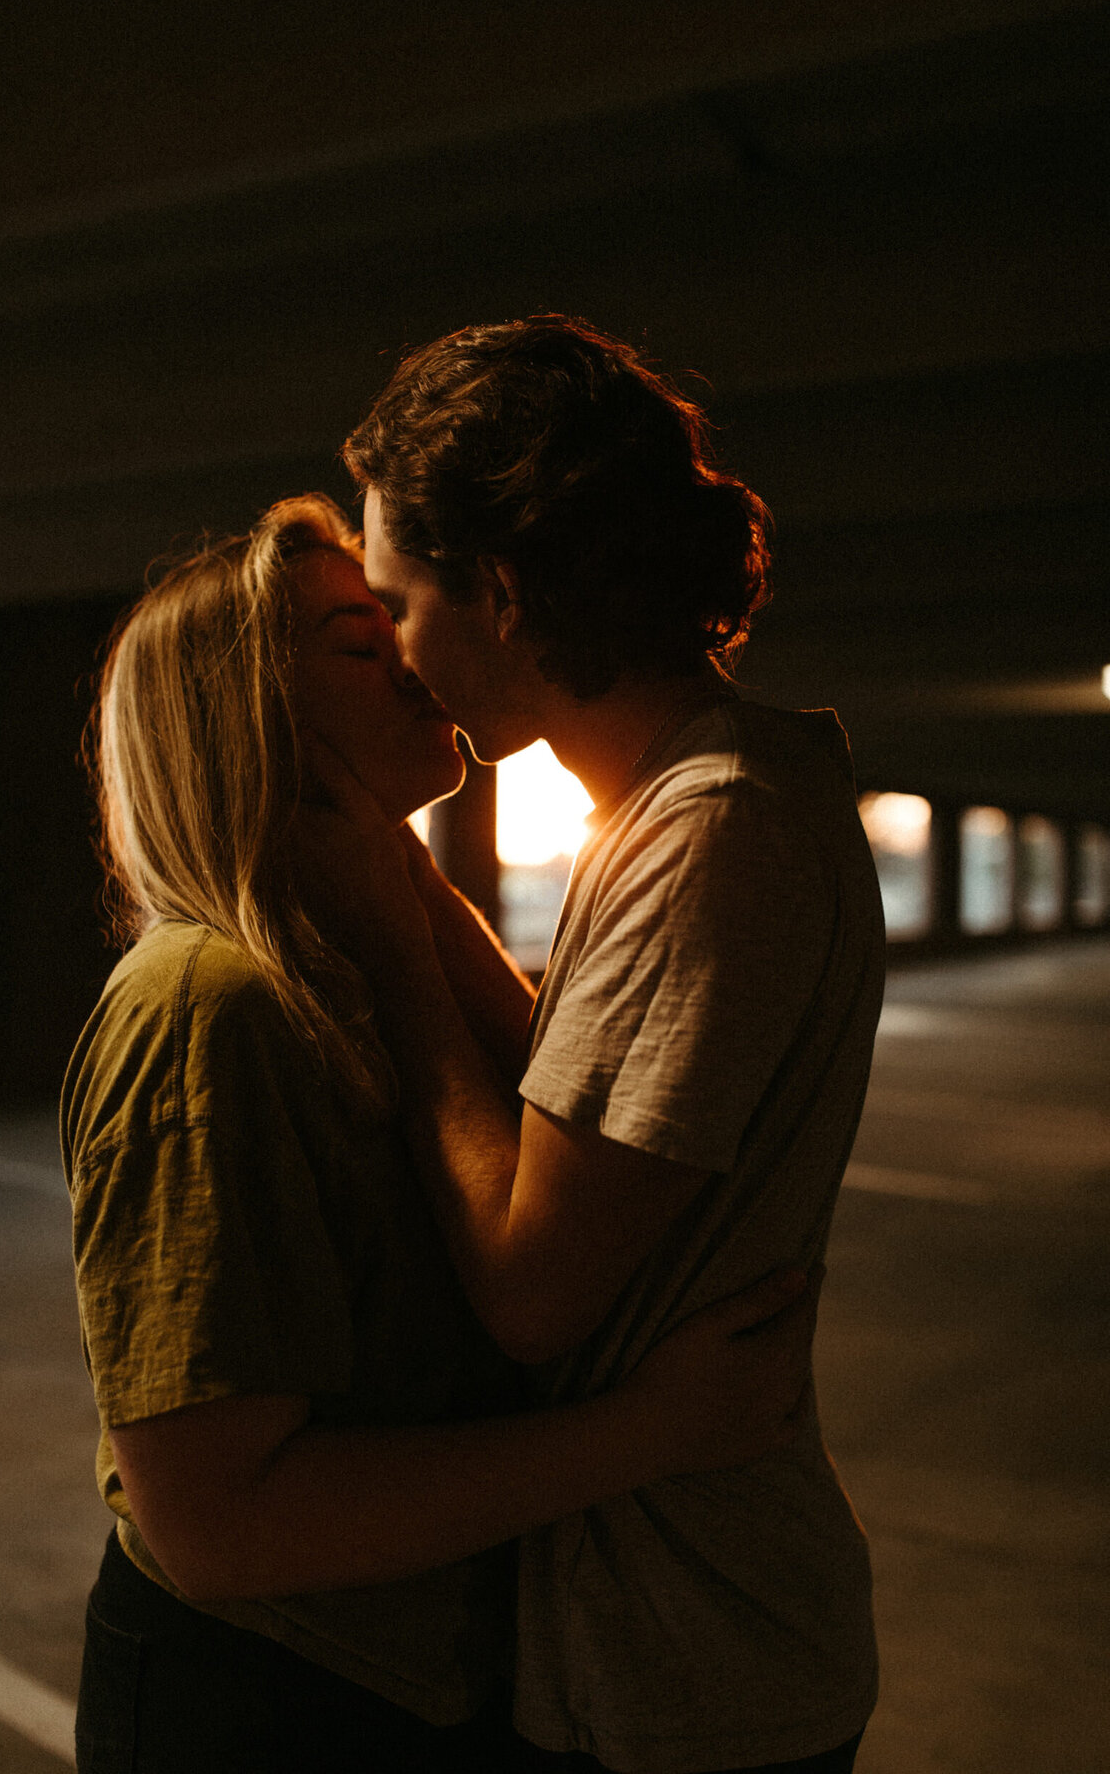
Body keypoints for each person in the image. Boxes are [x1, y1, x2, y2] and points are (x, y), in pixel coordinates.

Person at [61, 490, 823, 1774]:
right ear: (252, 718)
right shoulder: (207, 1006)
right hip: (265, 1697)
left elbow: (546, 1116)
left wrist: (404, 884)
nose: (416, 661)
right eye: (363, 647)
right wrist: (656, 1430)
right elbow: (219, 1529)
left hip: (399, 1675)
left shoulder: (346, 967)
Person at [313, 316, 889, 1774]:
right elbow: (563, 1103)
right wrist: (420, 890)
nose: (389, 644)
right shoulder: (682, 801)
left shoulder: (712, 835)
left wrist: (393, 942)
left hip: (688, 1655)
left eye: (395, 600)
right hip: (660, 1641)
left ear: (501, 592)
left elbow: (529, 1291)